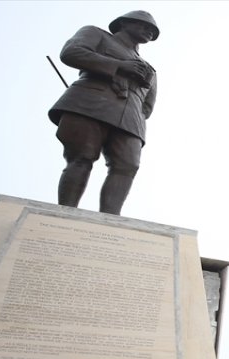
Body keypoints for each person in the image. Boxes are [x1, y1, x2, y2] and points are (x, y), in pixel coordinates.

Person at [48, 11, 160, 215]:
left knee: (128, 165)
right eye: (144, 25)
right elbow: (71, 52)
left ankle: (110, 219)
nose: (149, 31)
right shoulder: (96, 34)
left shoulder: (150, 70)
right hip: (89, 104)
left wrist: (134, 110)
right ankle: (65, 213)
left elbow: (148, 106)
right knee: (81, 157)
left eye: (152, 30)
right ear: (124, 23)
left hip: (130, 119)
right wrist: (119, 66)